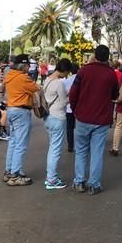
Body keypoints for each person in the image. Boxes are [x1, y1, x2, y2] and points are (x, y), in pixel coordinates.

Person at [68, 45, 119, 195]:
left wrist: (76, 109)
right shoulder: (111, 74)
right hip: (102, 119)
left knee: (81, 150)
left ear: (95, 56)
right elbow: (115, 95)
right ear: (107, 57)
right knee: (97, 152)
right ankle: (94, 184)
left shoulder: (84, 71)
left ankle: (79, 182)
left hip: (83, 117)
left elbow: (73, 93)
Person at [2, 54, 40, 186]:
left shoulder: (9, 75)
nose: (29, 67)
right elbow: (37, 88)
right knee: (21, 144)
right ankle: (15, 174)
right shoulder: (23, 78)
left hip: (11, 109)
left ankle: (9, 171)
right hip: (21, 111)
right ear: (23, 66)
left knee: (13, 142)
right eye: (28, 65)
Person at [42, 58, 72, 190]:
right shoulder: (59, 84)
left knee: (52, 147)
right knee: (55, 149)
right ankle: (52, 179)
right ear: (64, 70)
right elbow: (64, 102)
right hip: (58, 117)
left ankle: (50, 175)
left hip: (48, 117)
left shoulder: (47, 80)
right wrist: (69, 97)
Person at [63, 62, 80, 152]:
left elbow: (64, 94)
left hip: (69, 107)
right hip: (79, 107)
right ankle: (79, 145)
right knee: (79, 127)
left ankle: (70, 145)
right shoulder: (81, 80)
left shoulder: (66, 81)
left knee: (69, 127)